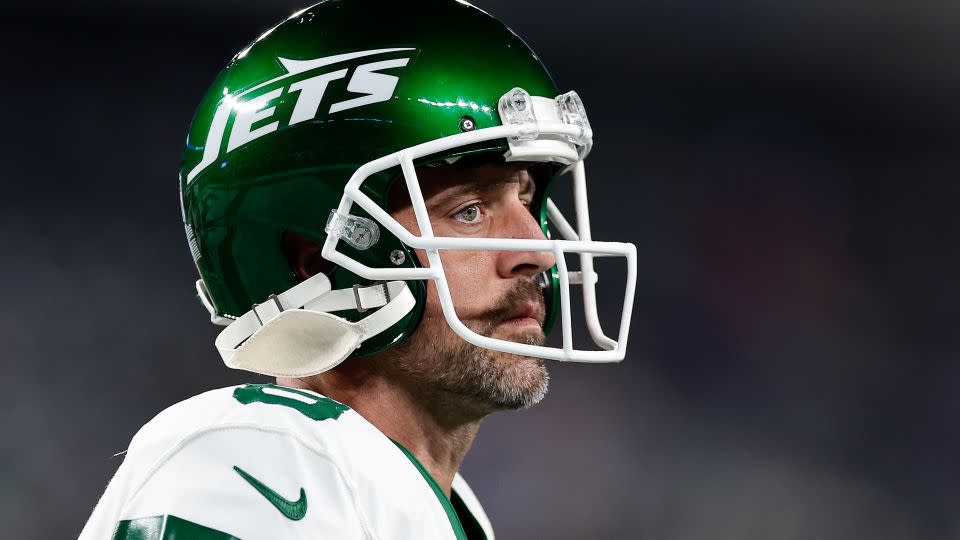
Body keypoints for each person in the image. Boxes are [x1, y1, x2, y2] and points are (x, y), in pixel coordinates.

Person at [79, 0, 637, 538]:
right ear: (314, 265)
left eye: (528, 200)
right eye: (469, 212)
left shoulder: (413, 498)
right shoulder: (260, 463)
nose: (538, 250)